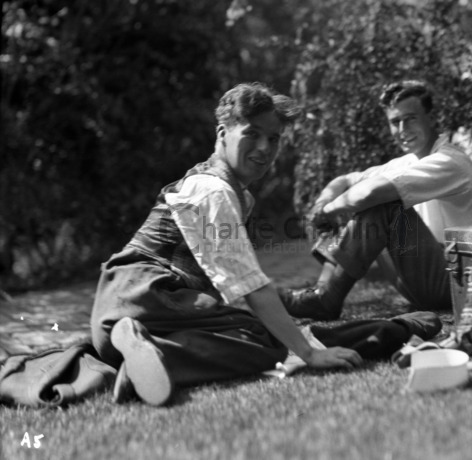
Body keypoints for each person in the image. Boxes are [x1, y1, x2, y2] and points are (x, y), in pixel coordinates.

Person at [91, 82, 442, 406]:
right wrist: (308, 353)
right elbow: (251, 286)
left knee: (253, 329)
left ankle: (134, 358)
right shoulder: (213, 191)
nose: (264, 148)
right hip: (147, 298)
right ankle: (160, 355)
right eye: (252, 134)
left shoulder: (226, 190)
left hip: (119, 311)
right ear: (222, 134)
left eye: (273, 139)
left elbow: (229, 284)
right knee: (264, 344)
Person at [280, 80, 472, 320]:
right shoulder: (409, 162)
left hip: (460, 283)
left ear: (432, 117)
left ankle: (327, 299)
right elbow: (347, 180)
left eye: (410, 118)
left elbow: (368, 194)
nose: (402, 129)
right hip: (426, 280)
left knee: (382, 203)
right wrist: (324, 202)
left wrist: (328, 211)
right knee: (362, 199)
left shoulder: (449, 161)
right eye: (395, 122)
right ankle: (322, 291)